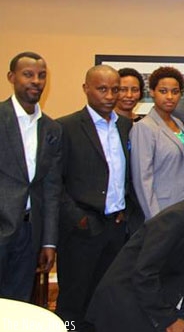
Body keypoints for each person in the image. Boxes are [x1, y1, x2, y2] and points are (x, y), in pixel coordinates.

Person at [87, 161, 184, 332]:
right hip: (126, 303)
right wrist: (167, 320)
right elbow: (144, 273)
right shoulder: (177, 218)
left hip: (160, 295)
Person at [55, 65, 141, 331]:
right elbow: (55, 182)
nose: (110, 95)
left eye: (114, 89)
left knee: (105, 297)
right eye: (102, 89)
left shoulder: (126, 126)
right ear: (86, 89)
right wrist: (77, 218)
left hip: (116, 227)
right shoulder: (65, 127)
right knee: (73, 299)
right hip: (82, 227)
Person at [0, 52, 61, 301]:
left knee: (18, 303)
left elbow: (51, 188)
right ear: (11, 77)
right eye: (28, 74)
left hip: (29, 232)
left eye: (41, 75)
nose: (36, 81)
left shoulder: (51, 128)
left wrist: (48, 242)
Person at [131, 66, 184, 219]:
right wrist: (155, 219)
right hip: (162, 209)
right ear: (152, 92)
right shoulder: (144, 127)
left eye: (175, 92)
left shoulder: (179, 123)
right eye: (163, 91)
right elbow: (142, 179)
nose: (170, 97)